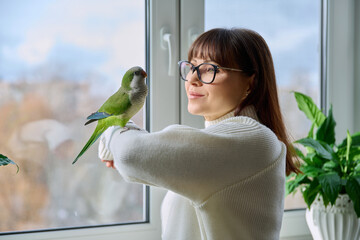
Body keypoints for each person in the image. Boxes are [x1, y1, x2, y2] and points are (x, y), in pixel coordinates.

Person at [98, 28, 299, 240]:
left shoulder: (252, 140)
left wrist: (113, 131)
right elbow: (141, 158)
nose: (192, 78)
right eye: (191, 66)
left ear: (251, 82)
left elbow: (131, 154)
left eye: (210, 69)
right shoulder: (230, 145)